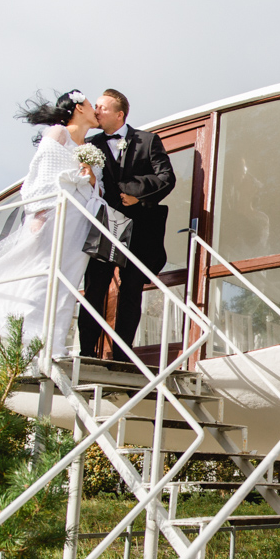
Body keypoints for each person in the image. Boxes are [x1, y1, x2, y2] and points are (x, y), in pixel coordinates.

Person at [0, 90, 104, 353]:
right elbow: (41, 176)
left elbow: (97, 189)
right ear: (79, 108)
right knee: (41, 274)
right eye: (92, 105)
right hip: (56, 214)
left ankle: (52, 345)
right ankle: (27, 345)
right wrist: (38, 213)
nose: (96, 111)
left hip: (79, 222)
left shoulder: (89, 148)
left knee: (67, 280)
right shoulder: (59, 134)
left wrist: (90, 175)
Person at [78, 89, 175, 360]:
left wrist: (136, 194)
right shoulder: (89, 145)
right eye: (94, 106)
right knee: (95, 288)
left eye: (102, 108)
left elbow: (166, 178)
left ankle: (122, 355)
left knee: (131, 291)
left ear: (119, 114)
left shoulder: (147, 140)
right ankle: (87, 351)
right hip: (103, 227)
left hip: (141, 229)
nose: (96, 111)